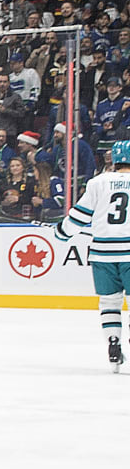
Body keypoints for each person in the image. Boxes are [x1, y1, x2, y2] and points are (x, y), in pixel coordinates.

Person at [54, 139, 130, 370]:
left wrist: (61, 233)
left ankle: (113, 342)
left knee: (109, 302)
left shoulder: (98, 182)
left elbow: (79, 215)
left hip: (102, 254)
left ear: (115, 160)